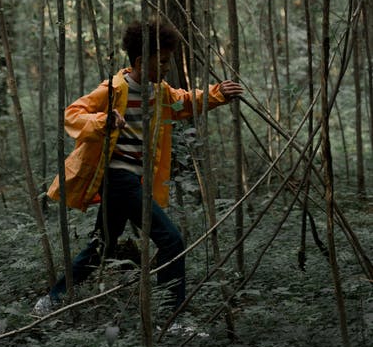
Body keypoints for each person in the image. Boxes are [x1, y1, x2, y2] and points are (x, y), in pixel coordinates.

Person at [34, 19, 243, 316]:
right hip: (118, 178)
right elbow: (72, 114)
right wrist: (102, 121)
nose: (168, 67)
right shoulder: (113, 89)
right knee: (171, 240)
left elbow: (184, 102)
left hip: (132, 180)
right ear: (141, 61)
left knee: (102, 247)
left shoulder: (159, 92)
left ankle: (52, 299)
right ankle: (172, 318)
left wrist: (217, 93)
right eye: (163, 61)